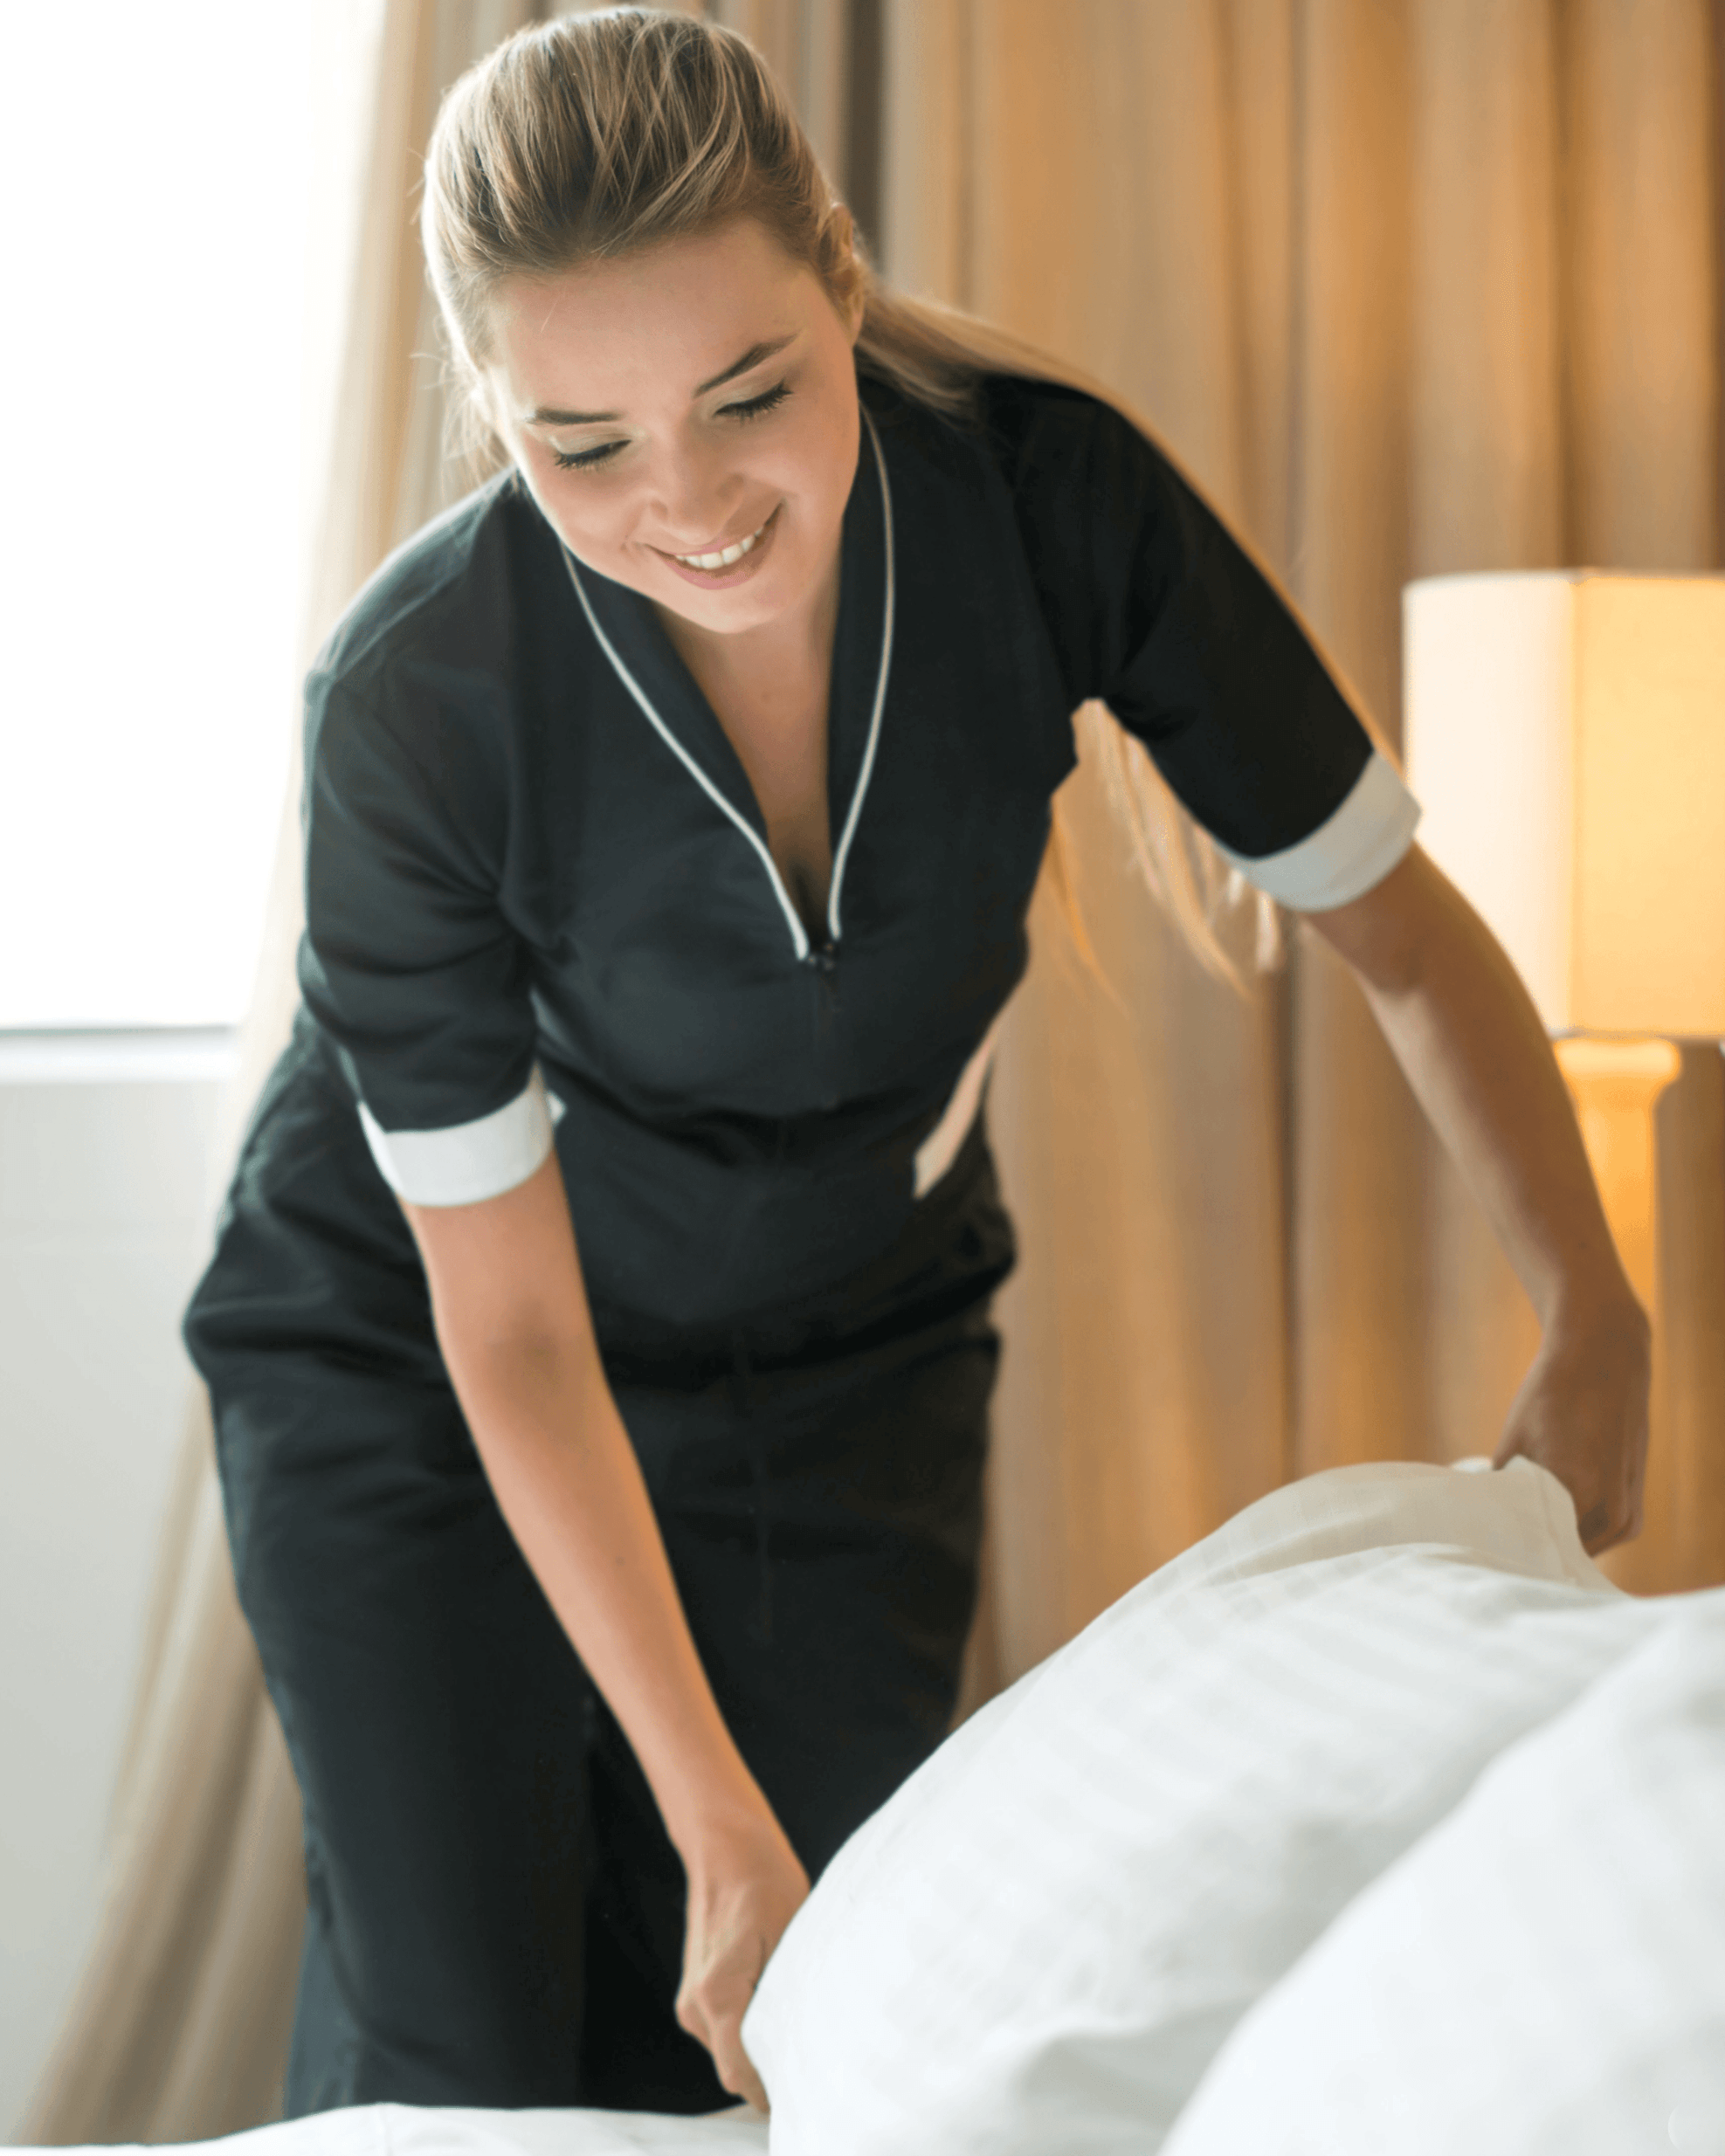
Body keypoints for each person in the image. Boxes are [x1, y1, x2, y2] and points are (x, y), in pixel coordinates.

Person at [182, 6, 1651, 2123]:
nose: (684, 498)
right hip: (424, 1352)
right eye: (578, 443)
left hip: (843, 1336)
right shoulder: (418, 704)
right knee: (475, 2045)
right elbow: (507, 1337)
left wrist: (1595, 1305)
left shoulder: (1051, 506)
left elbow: (1400, 934)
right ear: (493, 416)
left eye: (751, 392)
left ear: (840, 289)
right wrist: (708, 1813)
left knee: (824, 2013)